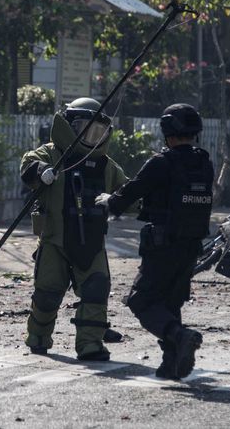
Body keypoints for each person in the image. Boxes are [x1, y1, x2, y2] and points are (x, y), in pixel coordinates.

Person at [95, 103, 214, 379]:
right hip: (191, 247)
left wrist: (106, 202)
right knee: (170, 303)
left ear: (167, 129)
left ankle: (180, 335)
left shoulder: (162, 162)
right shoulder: (204, 163)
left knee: (141, 301)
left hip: (162, 245)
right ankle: (171, 362)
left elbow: (128, 193)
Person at [20, 97, 128, 361]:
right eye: (83, 128)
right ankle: (38, 337)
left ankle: (90, 345)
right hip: (54, 240)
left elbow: (128, 193)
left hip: (92, 243)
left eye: (97, 131)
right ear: (68, 126)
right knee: (47, 293)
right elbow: (28, 166)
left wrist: (150, 202)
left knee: (96, 290)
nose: (90, 137)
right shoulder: (51, 155)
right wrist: (42, 171)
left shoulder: (108, 167)